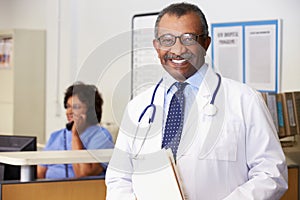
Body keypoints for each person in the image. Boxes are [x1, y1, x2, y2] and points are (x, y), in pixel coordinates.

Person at [105, 2, 288, 200]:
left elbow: (271, 174)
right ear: (156, 46)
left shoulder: (245, 100)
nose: (177, 49)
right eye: (167, 39)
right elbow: (119, 178)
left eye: (188, 38)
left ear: (206, 43)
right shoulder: (137, 107)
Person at [37, 82, 114, 179]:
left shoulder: (101, 136)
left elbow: (83, 174)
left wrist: (75, 135)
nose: (69, 112)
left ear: (90, 111)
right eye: (68, 106)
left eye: (76, 107)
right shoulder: (56, 136)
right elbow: (40, 173)